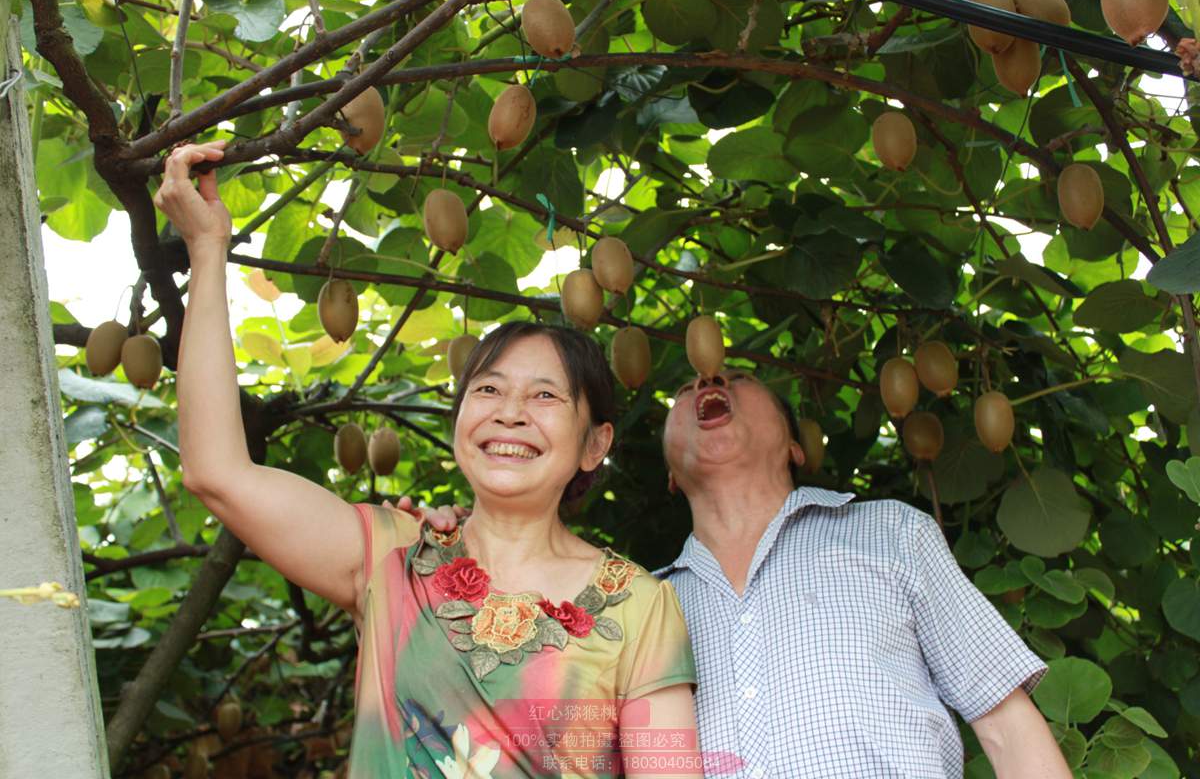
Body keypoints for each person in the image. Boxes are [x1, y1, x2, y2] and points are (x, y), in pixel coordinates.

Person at [153, 140, 701, 778]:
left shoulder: (640, 604)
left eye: (545, 395)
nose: (510, 412)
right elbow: (216, 471)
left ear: (594, 444)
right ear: (461, 419)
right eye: (488, 390)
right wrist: (208, 248)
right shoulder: (392, 557)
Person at [424, 368, 1072, 778]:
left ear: (795, 443)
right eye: (685, 389)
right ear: (672, 474)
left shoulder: (891, 534)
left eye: (739, 376)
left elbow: (1007, 726)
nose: (710, 379)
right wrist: (444, 559)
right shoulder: (633, 607)